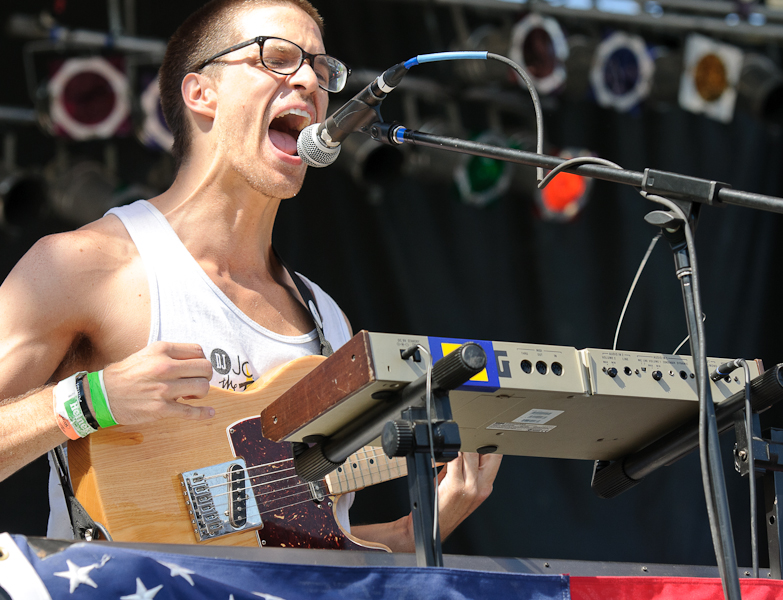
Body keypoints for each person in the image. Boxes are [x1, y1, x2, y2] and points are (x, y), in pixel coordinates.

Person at [0, 0, 501, 551]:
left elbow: (300, 546)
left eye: (320, 66)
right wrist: (88, 400)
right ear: (201, 94)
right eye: (278, 58)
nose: (310, 79)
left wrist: (417, 529)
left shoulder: (327, 319)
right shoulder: (84, 266)